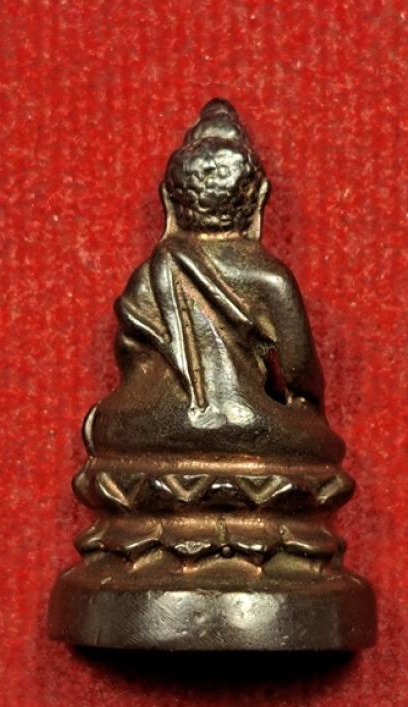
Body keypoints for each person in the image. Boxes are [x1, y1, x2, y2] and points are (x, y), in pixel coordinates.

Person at [89, 99, 345, 463]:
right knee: (316, 442)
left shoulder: (148, 275)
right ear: (259, 199)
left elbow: (131, 364)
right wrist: (307, 410)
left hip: (148, 431)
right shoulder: (268, 278)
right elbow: (301, 375)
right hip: (242, 422)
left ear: (169, 202)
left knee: (101, 427)